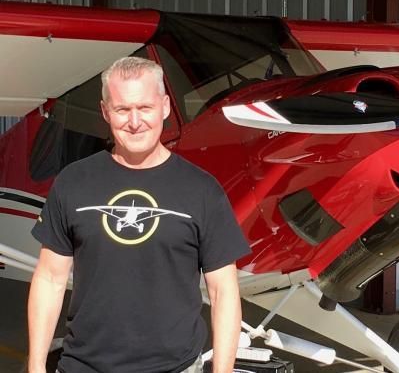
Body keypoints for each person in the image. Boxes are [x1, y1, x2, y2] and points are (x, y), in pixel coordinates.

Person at [28, 57, 251, 373]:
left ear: (164, 107)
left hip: (176, 367)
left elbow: (224, 291)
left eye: (144, 108)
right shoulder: (73, 182)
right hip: (84, 366)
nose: (134, 122)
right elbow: (50, 278)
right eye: (122, 110)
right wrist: (36, 365)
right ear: (105, 112)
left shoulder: (202, 189)